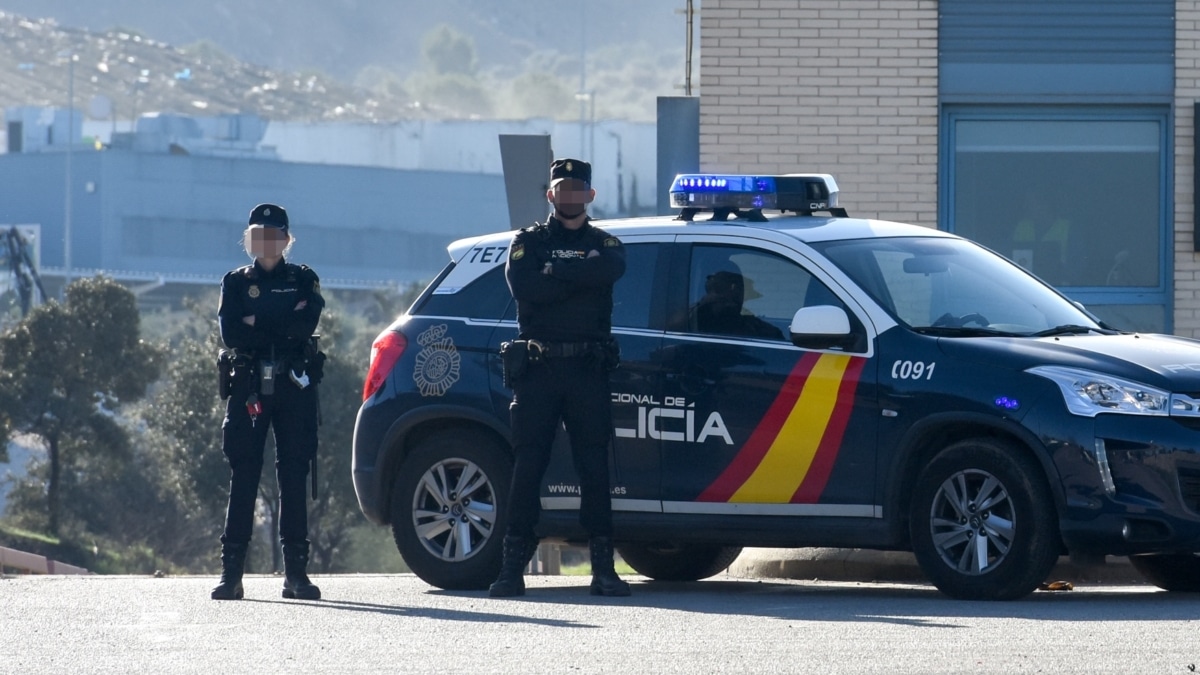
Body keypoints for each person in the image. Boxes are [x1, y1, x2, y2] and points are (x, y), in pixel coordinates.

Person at [490, 158, 630, 598]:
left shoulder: (606, 244)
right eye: (561, 189)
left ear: (589, 195)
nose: (569, 196)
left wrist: (555, 270)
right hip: (539, 370)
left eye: (577, 189)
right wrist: (577, 276)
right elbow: (527, 288)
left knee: (594, 467)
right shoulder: (527, 242)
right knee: (528, 466)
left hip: (587, 369)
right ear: (550, 195)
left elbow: (607, 271)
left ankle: (603, 570)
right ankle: (511, 569)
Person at [211, 203, 325, 601]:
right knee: (244, 475)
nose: (267, 242)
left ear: (287, 240)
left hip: (294, 386)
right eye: (258, 235)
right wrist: (277, 326)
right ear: (249, 241)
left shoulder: (303, 279)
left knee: (293, 476)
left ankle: (296, 574)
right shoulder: (236, 283)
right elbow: (231, 333)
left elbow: (305, 325)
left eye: (274, 235)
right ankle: (231, 575)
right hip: (249, 388)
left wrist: (258, 322)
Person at [692, 269, 783, 340]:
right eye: (744, 290)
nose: (746, 297)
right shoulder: (725, 311)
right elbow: (753, 331)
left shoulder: (694, 309)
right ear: (733, 288)